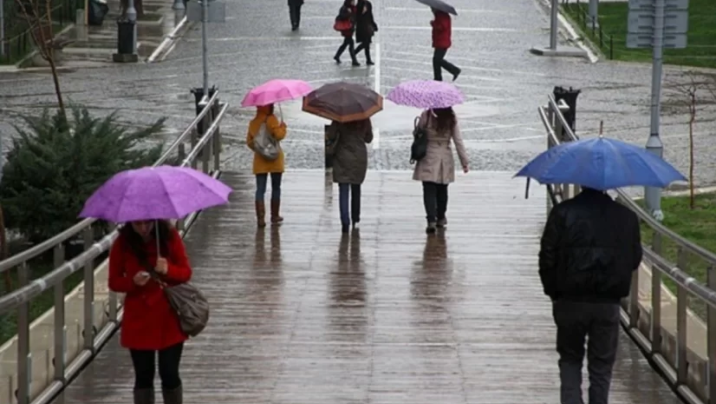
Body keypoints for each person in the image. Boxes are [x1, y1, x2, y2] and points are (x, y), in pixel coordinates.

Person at [539, 187, 643, 404]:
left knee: (570, 360)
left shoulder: (562, 213)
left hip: (569, 299)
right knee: (601, 366)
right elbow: (634, 259)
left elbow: (547, 257)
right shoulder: (626, 217)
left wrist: (553, 292)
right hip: (608, 302)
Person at [108, 219, 192, 404]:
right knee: (143, 376)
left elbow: (186, 272)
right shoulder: (122, 243)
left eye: (147, 223)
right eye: (138, 224)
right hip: (139, 318)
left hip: (168, 316)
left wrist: (168, 270)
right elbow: (113, 281)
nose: (143, 228)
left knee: (169, 373)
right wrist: (132, 282)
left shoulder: (169, 236)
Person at [412, 107, 468, 233]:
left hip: (429, 155)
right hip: (445, 157)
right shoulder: (451, 116)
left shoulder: (426, 115)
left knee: (428, 189)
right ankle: (441, 217)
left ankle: (431, 219)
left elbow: (419, 132)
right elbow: (458, 140)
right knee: (442, 189)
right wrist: (464, 162)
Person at [327, 118, 373, 233]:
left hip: (342, 155)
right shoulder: (364, 118)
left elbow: (331, 135)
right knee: (356, 186)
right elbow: (369, 138)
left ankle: (345, 221)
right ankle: (355, 217)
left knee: (343, 189)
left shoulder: (339, 117)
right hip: (359, 156)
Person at [246, 104, 287, 227]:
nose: (273, 106)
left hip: (260, 161)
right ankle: (274, 216)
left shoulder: (253, 122)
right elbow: (279, 136)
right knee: (276, 187)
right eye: (271, 105)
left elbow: (249, 142)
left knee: (260, 189)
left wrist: (261, 149)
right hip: (275, 159)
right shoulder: (272, 119)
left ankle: (260, 218)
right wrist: (283, 127)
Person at [430, 7, 461, 81]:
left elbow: (442, 27)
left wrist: (433, 23)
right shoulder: (440, 15)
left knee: (437, 59)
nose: (431, 10)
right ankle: (438, 78)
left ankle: (454, 70)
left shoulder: (442, 16)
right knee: (436, 60)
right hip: (440, 41)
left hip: (442, 42)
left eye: (432, 8)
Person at [334, 0, 360, 66]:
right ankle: (354, 60)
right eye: (352, 1)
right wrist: (348, 13)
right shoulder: (344, 8)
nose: (354, 2)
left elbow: (355, 17)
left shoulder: (354, 8)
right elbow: (341, 16)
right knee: (351, 43)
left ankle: (337, 56)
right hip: (347, 29)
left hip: (351, 28)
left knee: (345, 43)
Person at [354, 0, 378, 65]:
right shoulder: (359, 5)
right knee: (365, 43)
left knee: (367, 44)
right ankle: (354, 53)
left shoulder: (368, 4)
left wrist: (373, 24)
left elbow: (370, 15)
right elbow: (356, 18)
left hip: (367, 27)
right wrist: (362, 13)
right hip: (361, 27)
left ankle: (368, 60)